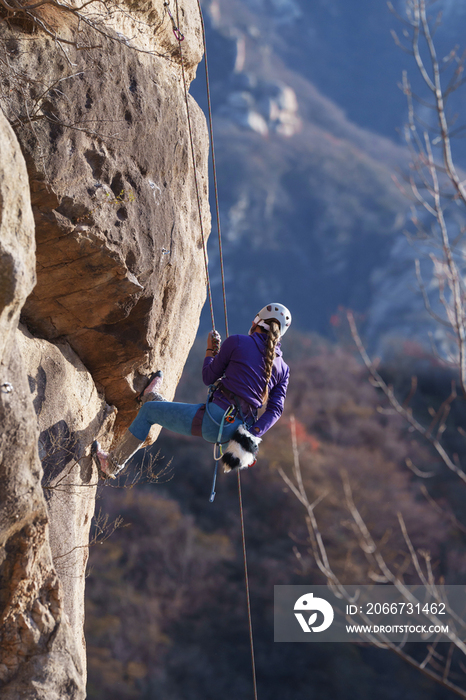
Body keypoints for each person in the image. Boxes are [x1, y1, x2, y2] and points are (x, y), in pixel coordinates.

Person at [92, 303, 291, 479]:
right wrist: (249, 434)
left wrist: (210, 351)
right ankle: (149, 396)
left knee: (148, 412)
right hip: (233, 432)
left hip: (214, 419)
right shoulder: (283, 369)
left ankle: (112, 465)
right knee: (157, 407)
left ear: (256, 321)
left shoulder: (238, 342)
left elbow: (208, 377)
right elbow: (275, 410)